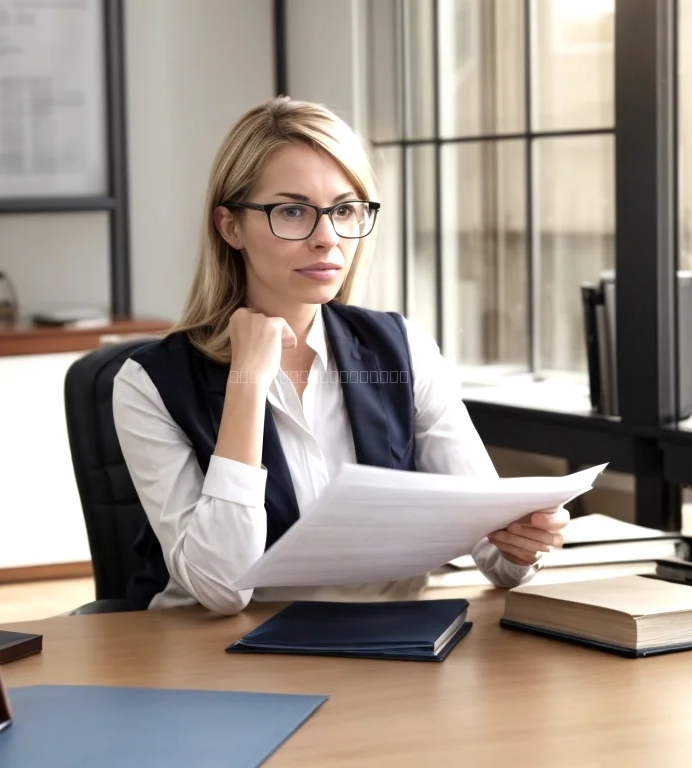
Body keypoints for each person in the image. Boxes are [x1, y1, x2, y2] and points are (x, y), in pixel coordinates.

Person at [112, 96, 569, 615]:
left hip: (390, 638)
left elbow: (496, 554)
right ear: (230, 226)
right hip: (216, 647)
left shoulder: (403, 349)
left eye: (345, 210)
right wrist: (247, 382)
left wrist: (524, 542)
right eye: (292, 211)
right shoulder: (148, 383)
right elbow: (221, 589)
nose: (327, 238)